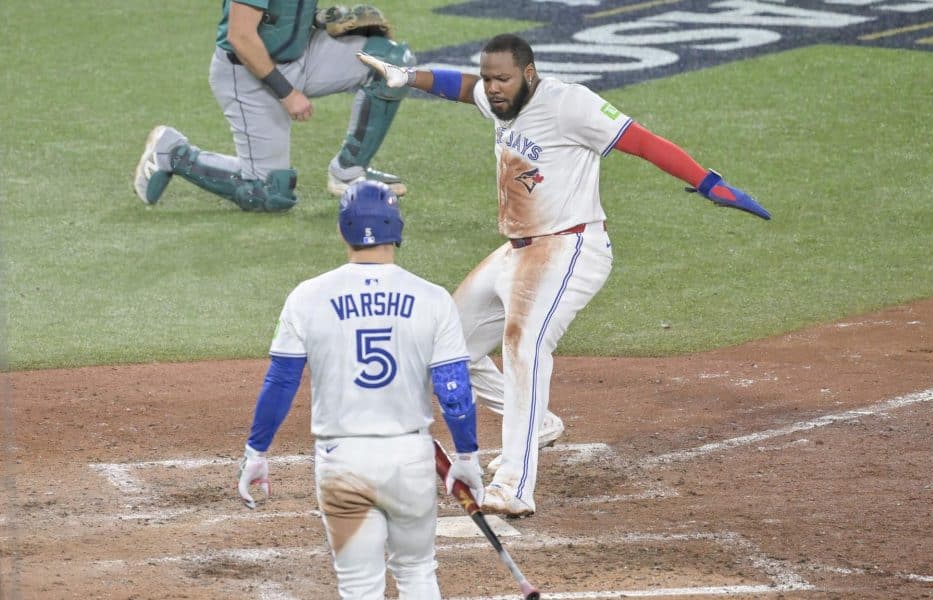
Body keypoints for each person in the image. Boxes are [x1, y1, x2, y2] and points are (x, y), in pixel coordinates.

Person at [357, 33, 770, 517]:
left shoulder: (570, 104)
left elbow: (642, 141)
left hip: (571, 246)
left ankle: (514, 484)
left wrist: (707, 182)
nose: (492, 88)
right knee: (445, 342)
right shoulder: (498, 100)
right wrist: (409, 77)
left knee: (524, 345)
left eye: (502, 79)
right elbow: (459, 85)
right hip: (517, 250)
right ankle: (540, 423)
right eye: (489, 79)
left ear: (528, 74)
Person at [236, 180, 484, 598]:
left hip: (342, 463)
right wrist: (467, 456)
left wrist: (256, 452)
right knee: (418, 572)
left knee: (358, 586)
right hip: (409, 460)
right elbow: (453, 388)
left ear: (342, 230)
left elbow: (281, 382)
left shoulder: (306, 297)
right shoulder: (432, 298)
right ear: (397, 228)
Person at [132, 3, 413, 213]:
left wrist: (322, 18)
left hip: (302, 54)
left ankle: (349, 171)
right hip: (248, 73)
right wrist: (287, 93)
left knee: (391, 63)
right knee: (268, 194)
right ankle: (173, 154)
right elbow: (240, 36)